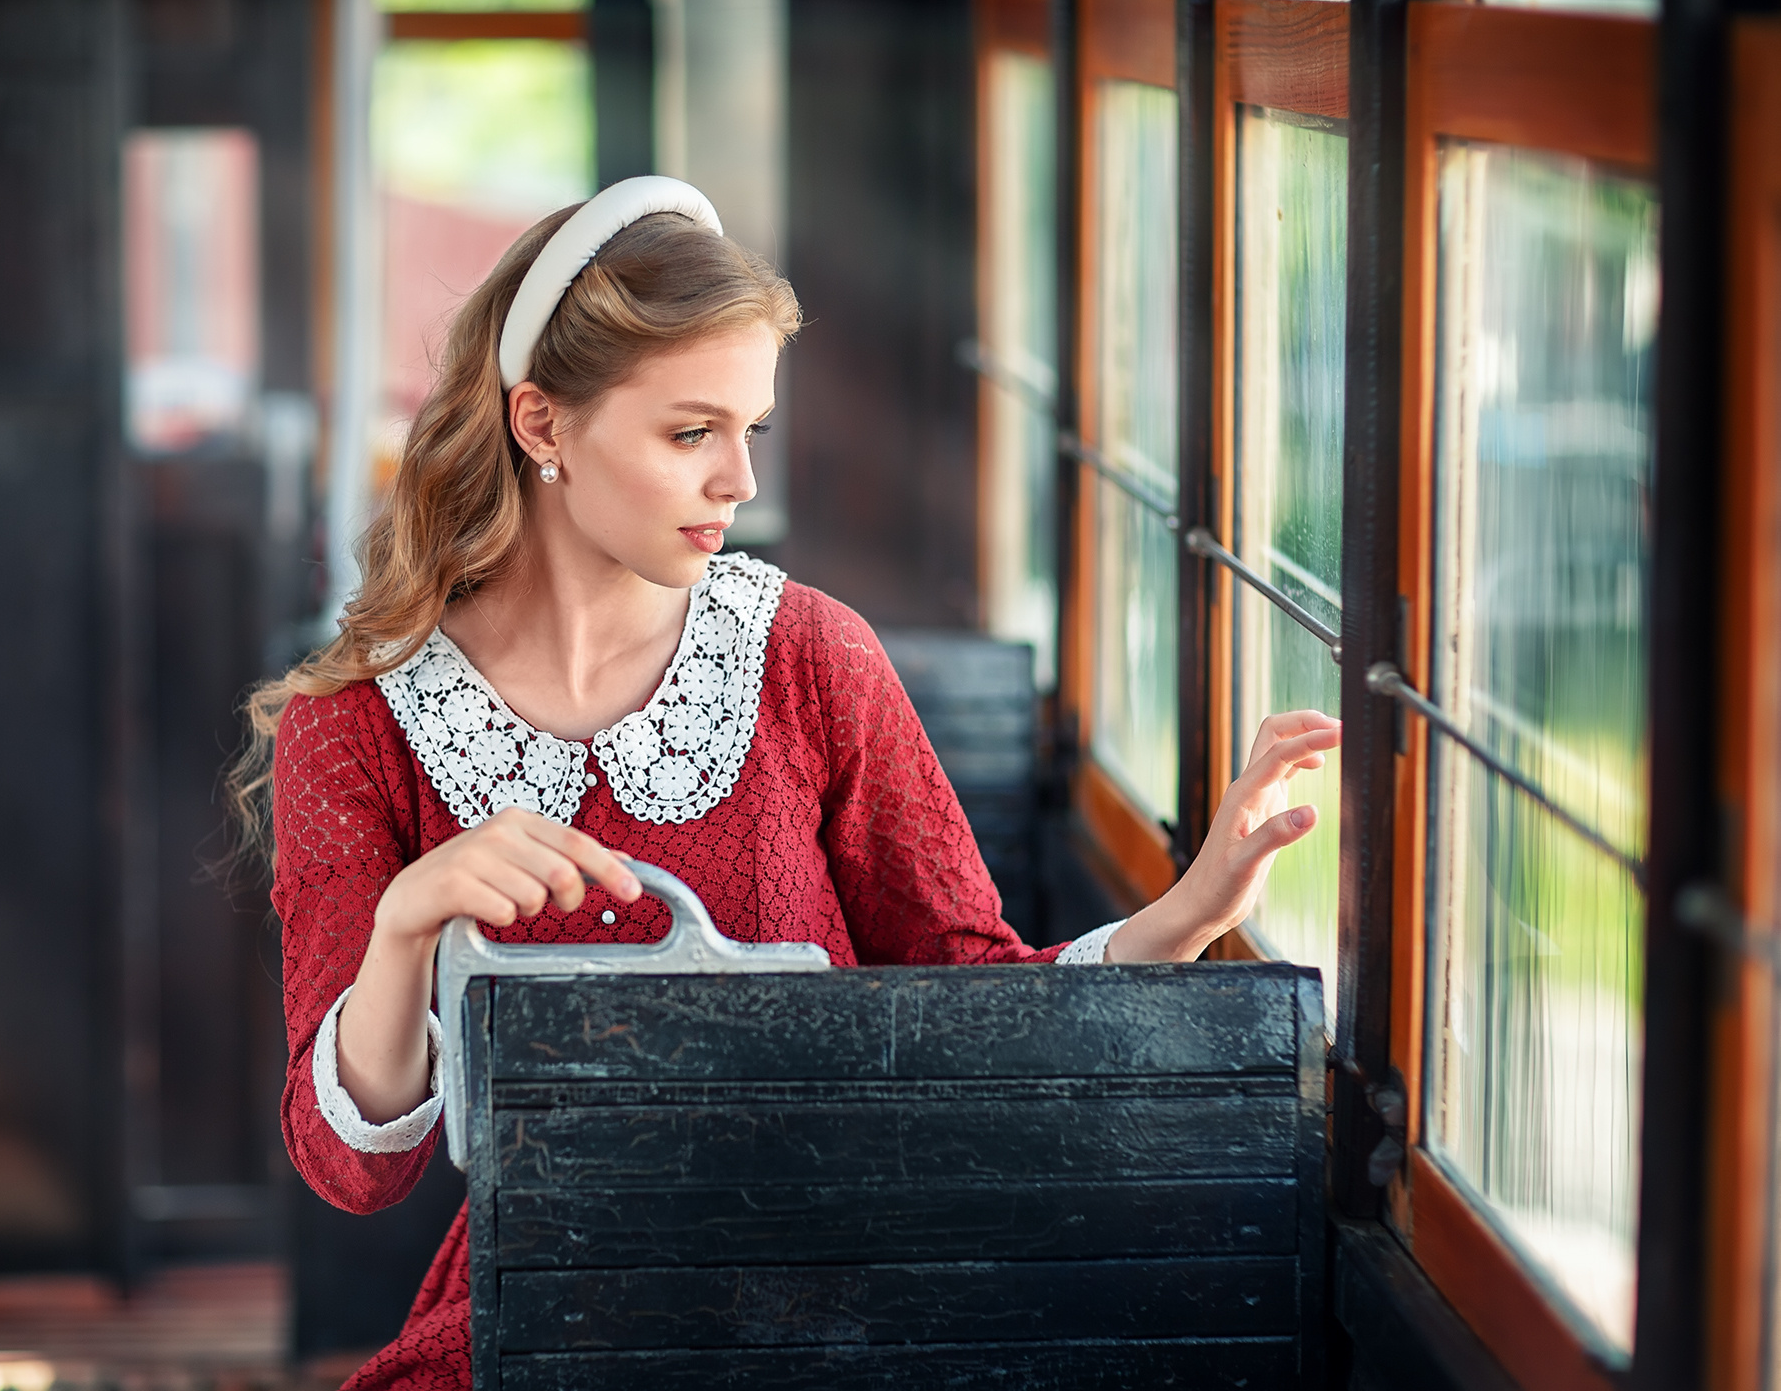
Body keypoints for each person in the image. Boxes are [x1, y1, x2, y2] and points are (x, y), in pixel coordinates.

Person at [227, 177, 1340, 1391]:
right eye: (690, 432)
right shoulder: (356, 725)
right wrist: (405, 929)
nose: (739, 482)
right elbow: (352, 1168)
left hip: (845, 1295)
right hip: (551, 1301)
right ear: (541, 424)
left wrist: (1186, 912)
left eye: (750, 429)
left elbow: (973, 997)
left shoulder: (810, 654)